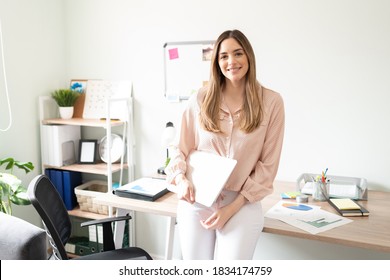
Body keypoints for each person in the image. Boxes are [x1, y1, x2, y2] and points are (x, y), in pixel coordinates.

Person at [165, 29, 285, 260]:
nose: (232, 61)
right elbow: (179, 148)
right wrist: (180, 180)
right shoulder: (200, 99)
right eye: (224, 56)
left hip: (242, 202)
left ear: (248, 56)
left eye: (238, 53)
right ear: (216, 62)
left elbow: (267, 166)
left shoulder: (272, 103)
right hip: (197, 198)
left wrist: (231, 208)